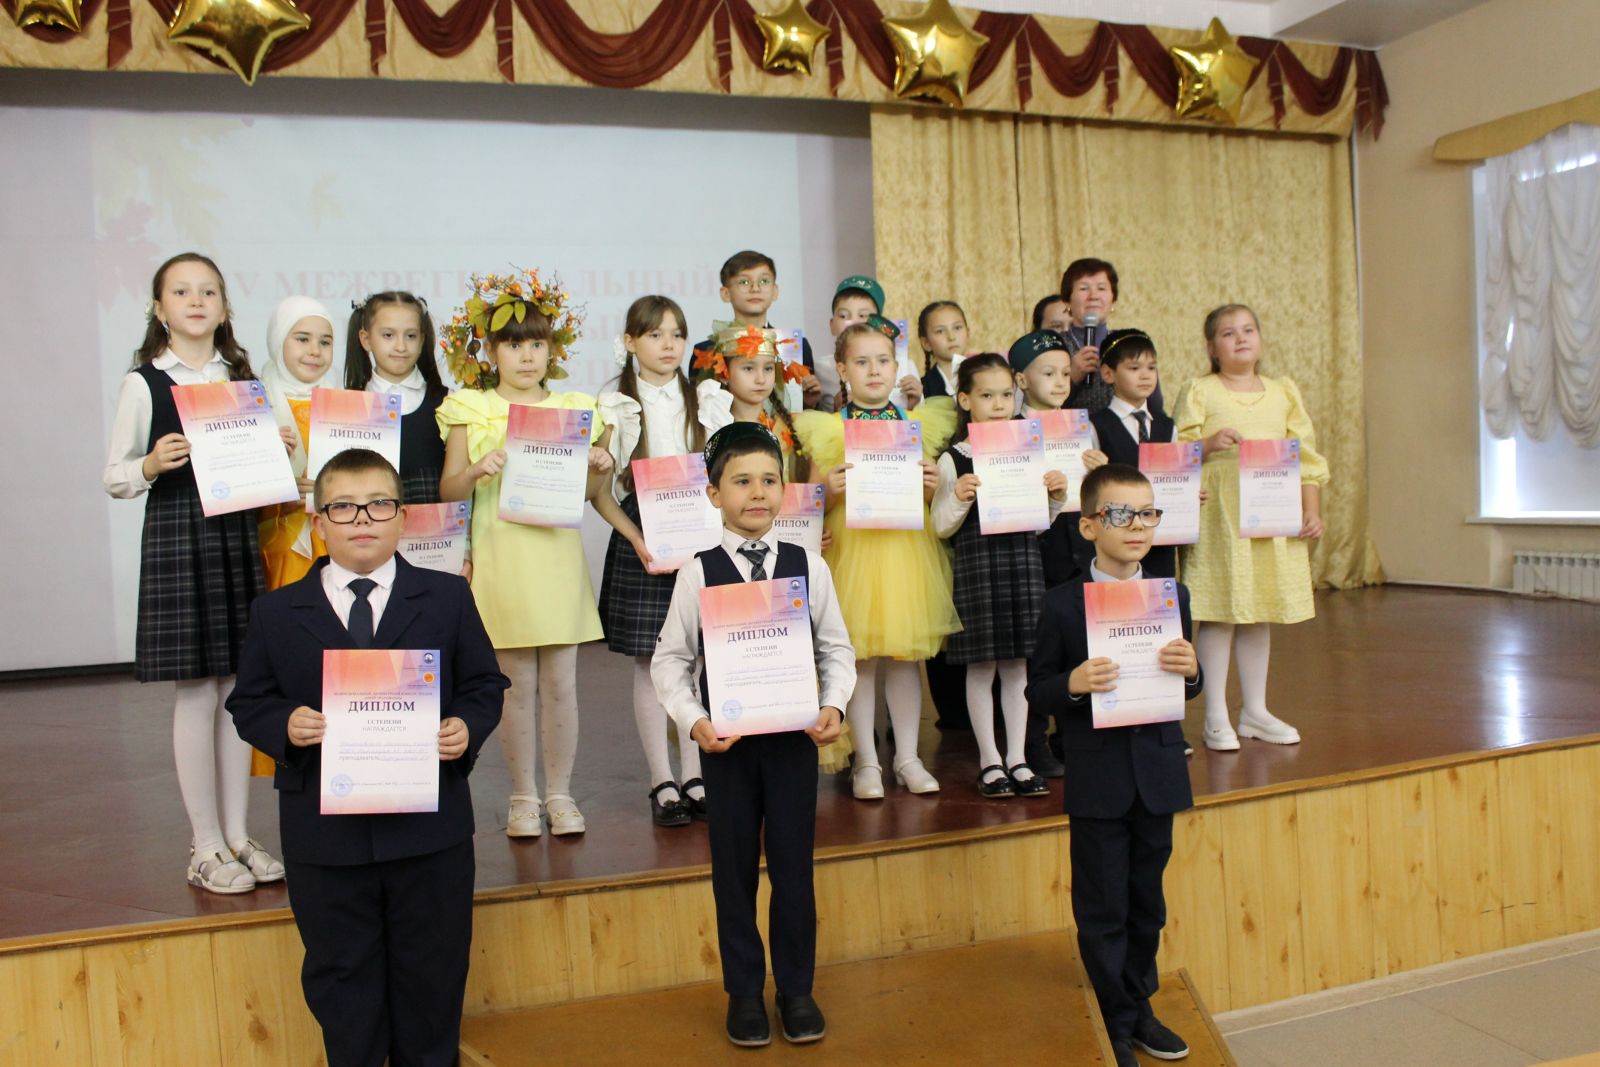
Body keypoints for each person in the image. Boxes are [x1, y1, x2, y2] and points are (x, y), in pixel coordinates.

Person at [228, 447, 508, 1067]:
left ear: (403, 517)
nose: (362, 519)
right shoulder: (276, 612)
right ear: (318, 521)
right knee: (340, 976)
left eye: (379, 504)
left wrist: (465, 726)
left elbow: (485, 684)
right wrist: (284, 725)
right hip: (324, 837)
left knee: (433, 974)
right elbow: (249, 701)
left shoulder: (446, 598)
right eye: (344, 507)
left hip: (428, 831)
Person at [652, 423, 855, 1048]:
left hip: (793, 744)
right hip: (728, 749)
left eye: (770, 480)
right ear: (714, 494)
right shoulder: (698, 572)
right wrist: (694, 720)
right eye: (742, 481)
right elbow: (670, 660)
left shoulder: (808, 566)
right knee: (733, 870)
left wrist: (834, 704)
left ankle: (796, 988)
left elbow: (837, 649)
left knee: (794, 869)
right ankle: (743, 991)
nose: (758, 493)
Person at [102, 251, 287, 894]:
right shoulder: (145, 383)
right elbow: (115, 475)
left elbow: (268, 466)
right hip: (181, 530)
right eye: (181, 292)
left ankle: (238, 835)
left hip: (235, 531)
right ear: (159, 309)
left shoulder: (242, 377)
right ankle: (204, 844)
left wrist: (278, 445)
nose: (197, 301)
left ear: (224, 305)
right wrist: (151, 463)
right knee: (196, 690)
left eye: (208, 291)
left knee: (238, 685)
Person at [1027, 463, 1202, 1067]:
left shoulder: (1173, 595)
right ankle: (1113, 1020)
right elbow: (1038, 690)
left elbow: (1189, 683)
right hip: (1099, 778)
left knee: (1147, 903)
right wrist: (1072, 684)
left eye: (1147, 513)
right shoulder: (1062, 604)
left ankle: (1141, 1007)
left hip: (1158, 773)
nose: (1137, 526)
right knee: (1102, 906)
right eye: (1121, 514)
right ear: (1088, 526)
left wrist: (1193, 672)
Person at [437, 269, 612, 836]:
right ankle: (522, 797)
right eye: (514, 345)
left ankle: (560, 794)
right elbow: (448, 492)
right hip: (502, 561)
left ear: (552, 349)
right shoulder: (470, 407)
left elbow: (588, 493)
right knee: (513, 686)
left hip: (555, 559)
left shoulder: (574, 408)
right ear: (491, 351)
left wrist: (601, 463)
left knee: (562, 684)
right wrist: (476, 470)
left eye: (537, 344)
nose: (528, 356)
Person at [793, 319, 958, 799]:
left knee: (906, 659)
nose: (874, 370)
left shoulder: (915, 425)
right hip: (854, 554)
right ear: (842, 370)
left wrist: (932, 488)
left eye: (883, 360)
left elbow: (935, 500)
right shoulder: (829, 429)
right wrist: (827, 490)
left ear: (896, 365)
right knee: (859, 659)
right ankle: (866, 760)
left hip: (906, 553)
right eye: (861, 362)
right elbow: (809, 502)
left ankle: (907, 757)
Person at [596, 294, 731, 826]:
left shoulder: (707, 398)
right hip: (646, 539)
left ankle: (695, 774)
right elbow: (597, 492)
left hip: (702, 532)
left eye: (676, 334)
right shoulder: (616, 404)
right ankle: (662, 780)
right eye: (655, 334)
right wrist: (635, 537)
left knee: (696, 659)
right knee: (651, 663)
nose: (668, 344)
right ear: (630, 342)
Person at [1174, 304, 1327, 751]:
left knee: (1259, 611)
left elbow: (1307, 456)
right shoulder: (1200, 390)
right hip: (1221, 516)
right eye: (1228, 333)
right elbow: (1175, 452)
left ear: (1260, 338)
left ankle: (1255, 711)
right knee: (1221, 613)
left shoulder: (1283, 392)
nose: (1240, 338)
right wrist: (1207, 445)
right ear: (1211, 347)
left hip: (1271, 512)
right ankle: (1215, 716)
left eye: (1248, 330)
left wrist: (1310, 509)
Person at [930, 354, 1064, 798]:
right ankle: (990, 759)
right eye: (987, 395)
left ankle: (1018, 758)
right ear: (965, 400)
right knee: (982, 666)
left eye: (1007, 394)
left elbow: (1039, 523)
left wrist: (1055, 498)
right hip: (978, 567)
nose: (1000, 404)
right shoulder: (954, 458)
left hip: (1023, 564)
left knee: (1018, 664)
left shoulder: (1027, 450)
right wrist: (959, 497)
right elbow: (941, 526)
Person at [257, 296, 338, 591]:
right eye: (302, 339)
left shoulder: (347, 405)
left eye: (325, 342)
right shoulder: (256, 405)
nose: (315, 351)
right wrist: (283, 490)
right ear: (279, 340)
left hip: (338, 543)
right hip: (279, 547)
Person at [1086, 329, 1179, 579]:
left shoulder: (1167, 426)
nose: (1145, 375)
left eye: (1151, 367)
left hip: (1158, 537)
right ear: (1108, 373)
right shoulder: (1096, 425)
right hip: (1116, 538)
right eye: (1134, 368)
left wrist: (1189, 492)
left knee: (1156, 595)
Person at [344, 291, 449, 505]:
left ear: (422, 340)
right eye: (388, 335)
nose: (401, 346)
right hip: (370, 519)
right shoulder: (346, 406)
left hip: (433, 523)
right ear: (366, 339)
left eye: (410, 336)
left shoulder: (449, 402)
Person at [692, 250, 823, 409]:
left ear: (775, 291)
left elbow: (802, 412)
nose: (755, 288)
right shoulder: (706, 351)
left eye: (764, 281)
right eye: (744, 282)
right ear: (726, 293)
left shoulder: (795, 346)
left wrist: (809, 403)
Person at [915, 300, 969, 400]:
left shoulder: (986, 377)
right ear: (926, 343)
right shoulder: (921, 391)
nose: (951, 337)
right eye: (940, 331)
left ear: (968, 332)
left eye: (957, 328)